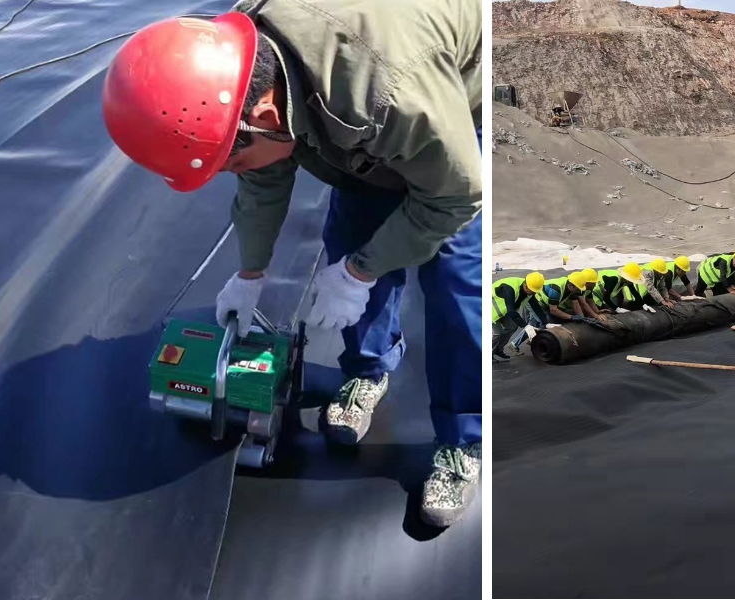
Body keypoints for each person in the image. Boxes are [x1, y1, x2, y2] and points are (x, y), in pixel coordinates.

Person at [100, 0, 482, 528]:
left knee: (457, 278)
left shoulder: (390, 90)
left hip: (451, 105)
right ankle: (368, 371)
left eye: (231, 160)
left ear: (266, 117)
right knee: (355, 229)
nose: (234, 172)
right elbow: (261, 173)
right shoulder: (246, 66)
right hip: (357, 106)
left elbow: (455, 197)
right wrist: (249, 272)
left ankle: (465, 440)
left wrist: (360, 273)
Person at [491, 272, 549, 362]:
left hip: (504, 310)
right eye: (532, 291)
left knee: (512, 326)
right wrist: (526, 326)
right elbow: (511, 311)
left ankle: (498, 350)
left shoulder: (529, 291)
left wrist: (546, 323)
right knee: (497, 332)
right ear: (526, 286)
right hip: (491, 309)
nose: (533, 293)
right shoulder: (510, 289)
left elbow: (535, 307)